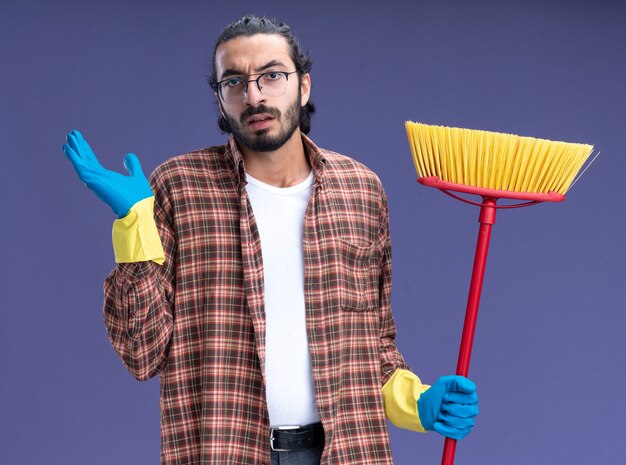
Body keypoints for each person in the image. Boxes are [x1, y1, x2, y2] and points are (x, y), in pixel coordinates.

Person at [62, 14, 478, 465]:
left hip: (345, 452)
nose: (254, 95)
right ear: (220, 100)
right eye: (234, 82)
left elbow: (372, 346)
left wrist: (415, 403)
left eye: (271, 76)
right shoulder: (177, 188)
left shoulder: (361, 190)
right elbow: (143, 353)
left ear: (303, 86)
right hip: (224, 450)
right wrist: (133, 222)